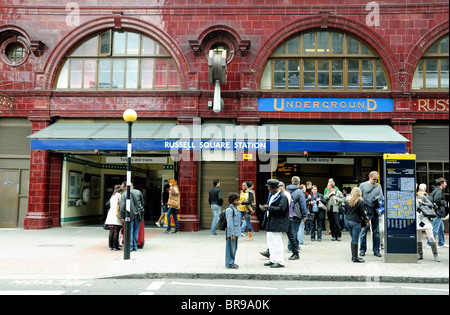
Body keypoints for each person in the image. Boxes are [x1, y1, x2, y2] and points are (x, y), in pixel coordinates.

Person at [260, 179, 289, 268]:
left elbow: (281, 209)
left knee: (277, 242)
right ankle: (273, 259)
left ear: (275, 188)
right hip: (271, 222)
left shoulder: (282, 197)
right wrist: (267, 208)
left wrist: (268, 208)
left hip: (277, 222)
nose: (268, 189)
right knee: (271, 242)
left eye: (270, 187)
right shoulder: (272, 195)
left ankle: (280, 261)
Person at [359, 171, 383, 257]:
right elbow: (359, 196)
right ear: (370, 177)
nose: (375, 181)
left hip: (374, 209)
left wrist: (375, 198)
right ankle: (362, 249)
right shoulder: (362, 185)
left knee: (376, 231)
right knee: (363, 230)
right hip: (365, 209)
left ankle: (376, 250)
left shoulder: (378, 186)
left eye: (377, 179)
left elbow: (381, 196)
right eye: (374, 179)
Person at [416, 184, 440, 262]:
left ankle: (435, 254)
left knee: (431, 237)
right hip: (417, 219)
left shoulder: (422, 196)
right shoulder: (410, 198)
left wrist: (422, 202)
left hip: (425, 218)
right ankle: (420, 254)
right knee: (418, 238)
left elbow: (431, 204)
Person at [286, 176, 308, 260]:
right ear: (299, 183)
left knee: (291, 230)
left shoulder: (287, 190)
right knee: (294, 231)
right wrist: (304, 215)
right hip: (296, 214)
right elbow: (303, 204)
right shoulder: (299, 191)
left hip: (288, 213)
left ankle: (296, 245)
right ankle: (290, 247)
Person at [344, 187, 368, 263]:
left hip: (348, 221)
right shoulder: (360, 201)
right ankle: (355, 257)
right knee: (355, 239)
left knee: (353, 238)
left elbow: (345, 211)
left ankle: (353, 256)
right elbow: (362, 213)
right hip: (355, 222)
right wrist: (365, 218)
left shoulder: (347, 200)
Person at [119, 182, 145, 251]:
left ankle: (130, 247)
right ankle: (135, 246)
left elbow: (122, 206)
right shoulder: (138, 192)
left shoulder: (124, 194)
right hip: (138, 214)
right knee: (136, 231)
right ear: (132, 186)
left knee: (130, 230)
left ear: (126, 187)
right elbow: (143, 202)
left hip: (129, 214)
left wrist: (122, 216)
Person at [429, 178, 448, 248]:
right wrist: (444, 202)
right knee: (435, 228)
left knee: (441, 228)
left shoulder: (436, 190)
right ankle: (430, 244)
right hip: (438, 211)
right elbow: (437, 199)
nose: (446, 184)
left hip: (437, 211)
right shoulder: (439, 190)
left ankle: (441, 243)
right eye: (445, 183)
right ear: (441, 183)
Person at [225, 192, 241, 269]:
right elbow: (230, 223)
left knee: (234, 248)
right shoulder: (230, 210)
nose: (238, 202)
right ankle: (230, 263)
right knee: (230, 249)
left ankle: (232, 262)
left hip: (235, 232)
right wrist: (231, 234)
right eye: (237, 200)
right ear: (232, 201)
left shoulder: (235, 208)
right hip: (232, 233)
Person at [105, 185, 124, 250]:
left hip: (111, 215)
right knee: (116, 231)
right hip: (117, 215)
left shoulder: (112, 196)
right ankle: (115, 246)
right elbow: (122, 205)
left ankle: (111, 246)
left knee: (111, 231)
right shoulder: (120, 196)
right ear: (121, 191)